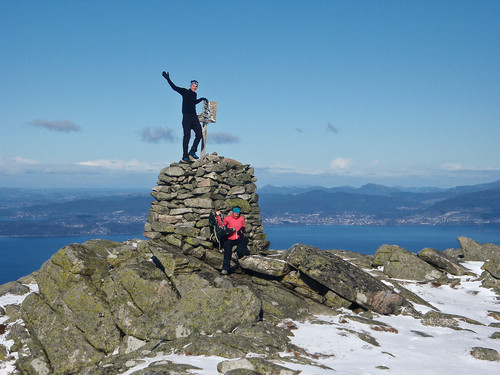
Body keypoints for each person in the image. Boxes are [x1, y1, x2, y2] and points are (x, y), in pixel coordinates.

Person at [162, 71, 208, 162]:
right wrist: (168, 79)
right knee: (187, 136)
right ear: (191, 86)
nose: (195, 88)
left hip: (194, 117)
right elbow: (174, 87)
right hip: (186, 117)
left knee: (199, 134)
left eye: (196, 87)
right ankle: (185, 155)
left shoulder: (195, 94)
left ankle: (192, 151)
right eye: (194, 86)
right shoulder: (184, 91)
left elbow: (193, 102)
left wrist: (201, 99)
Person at [218, 207, 249, 275]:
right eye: (235, 213)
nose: (236, 215)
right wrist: (218, 216)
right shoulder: (228, 218)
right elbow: (221, 224)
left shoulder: (241, 218)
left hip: (238, 237)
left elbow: (243, 227)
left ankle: (235, 253)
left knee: (245, 241)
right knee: (227, 252)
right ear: (233, 212)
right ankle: (225, 269)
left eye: (238, 213)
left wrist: (243, 230)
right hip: (229, 238)